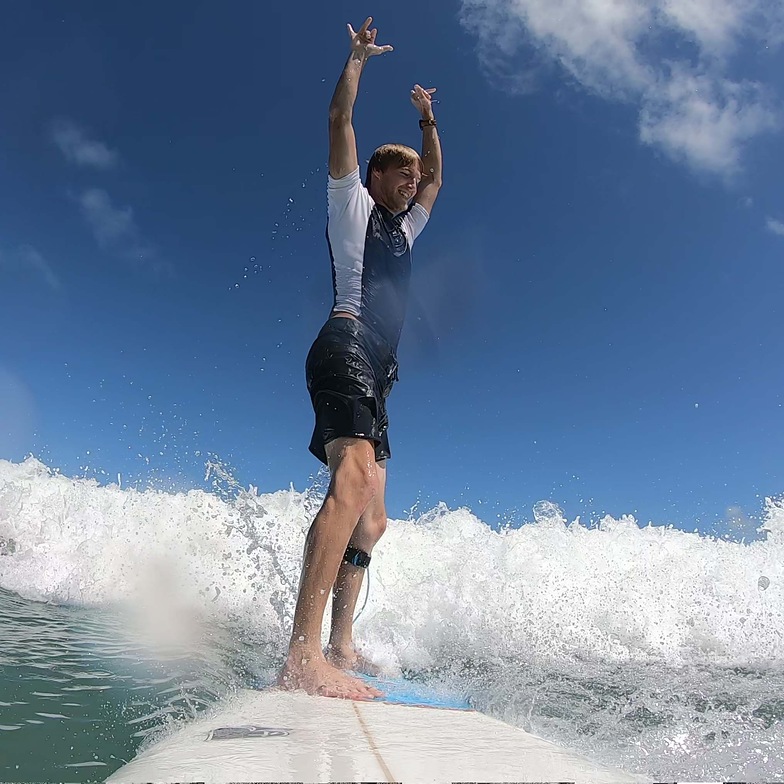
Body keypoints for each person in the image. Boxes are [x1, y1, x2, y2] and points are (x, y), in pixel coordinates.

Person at [276, 17, 443, 700]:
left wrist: (429, 123)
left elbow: (438, 180)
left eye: (411, 175)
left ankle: (341, 643)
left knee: (373, 518)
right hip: (343, 343)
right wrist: (356, 61)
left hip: (378, 374)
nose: (410, 182)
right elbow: (339, 119)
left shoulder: (408, 228)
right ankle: (301, 656)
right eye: (398, 172)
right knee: (350, 482)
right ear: (373, 176)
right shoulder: (350, 204)